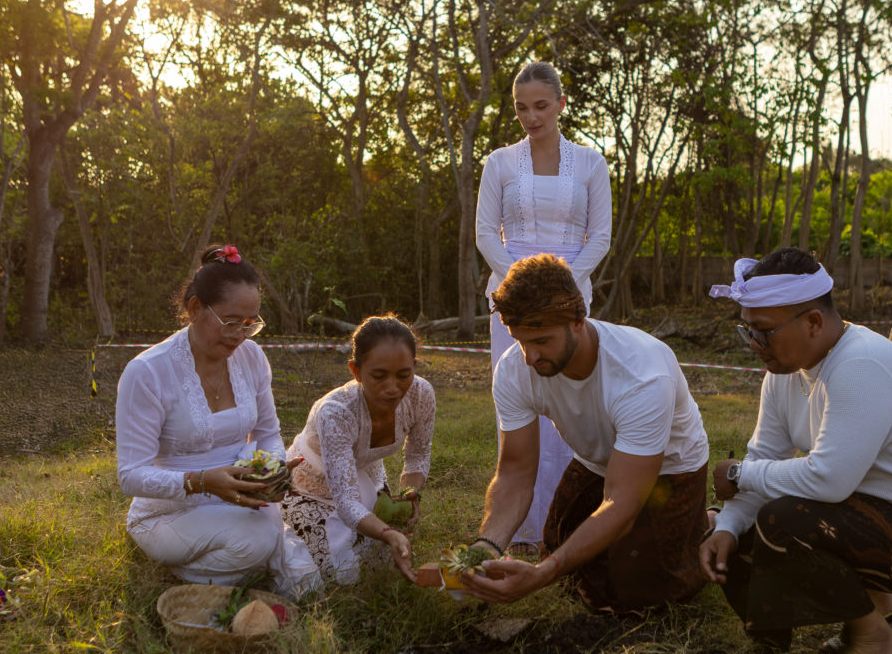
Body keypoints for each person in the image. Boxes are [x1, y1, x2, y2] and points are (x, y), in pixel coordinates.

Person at [700, 250, 892, 654]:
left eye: (763, 330)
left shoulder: (860, 364)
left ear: (813, 321)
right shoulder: (785, 372)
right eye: (747, 328)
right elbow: (764, 459)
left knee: (782, 519)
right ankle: (847, 617)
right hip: (871, 515)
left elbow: (826, 479)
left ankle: (875, 639)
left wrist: (739, 474)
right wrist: (728, 527)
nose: (754, 342)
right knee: (747, 521)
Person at [458, 254, 709, 613]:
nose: (529, 356)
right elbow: (514, 474)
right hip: (596, 461)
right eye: (520, 340)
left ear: (579, 320)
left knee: (640, 595)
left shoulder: (642, 375)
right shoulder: (514, 367)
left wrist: (543, 573)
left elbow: (622, 502)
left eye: (541, 340)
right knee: (563, 556)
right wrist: (487, 545)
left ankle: (708, 523)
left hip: (669, 469)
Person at [115, 245, 321, 594]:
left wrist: (270, 470)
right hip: (168, 511)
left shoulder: (252, 358)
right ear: (195, 309)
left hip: (242, 497)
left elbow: (269, 433)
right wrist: (204, 482)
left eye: (249, 324)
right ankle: (186, 578)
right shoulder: (147, 372)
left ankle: (215, 572)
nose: (239, 335)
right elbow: (130, 476)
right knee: (259, 542)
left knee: (306, 579)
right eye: (229, 321)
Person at [475, 61, 612, 553]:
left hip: (572, 293)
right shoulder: (500, 163)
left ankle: (571, 523)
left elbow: (600, 236)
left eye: (540, 106)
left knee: (574, 405)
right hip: (511, 292)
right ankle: (525, 532)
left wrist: (562, 285)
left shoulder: (592, 163)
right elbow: (486, 233)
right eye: (521, 108)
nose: (531, 117)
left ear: (560, 104)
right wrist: (521, 284)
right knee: (520, 402)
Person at [282, 315, 432, 585]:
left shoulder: (421, 394)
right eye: (379, 376)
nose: (392, 388)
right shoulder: (336, 411)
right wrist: (387, 532)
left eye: (403, 375)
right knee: (324, 578)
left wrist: (412, 492)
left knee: (383, 565)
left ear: (414, 367)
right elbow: (347, 501)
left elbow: (418, 454)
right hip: (310, 485)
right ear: (355, 371)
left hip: (365, 475)